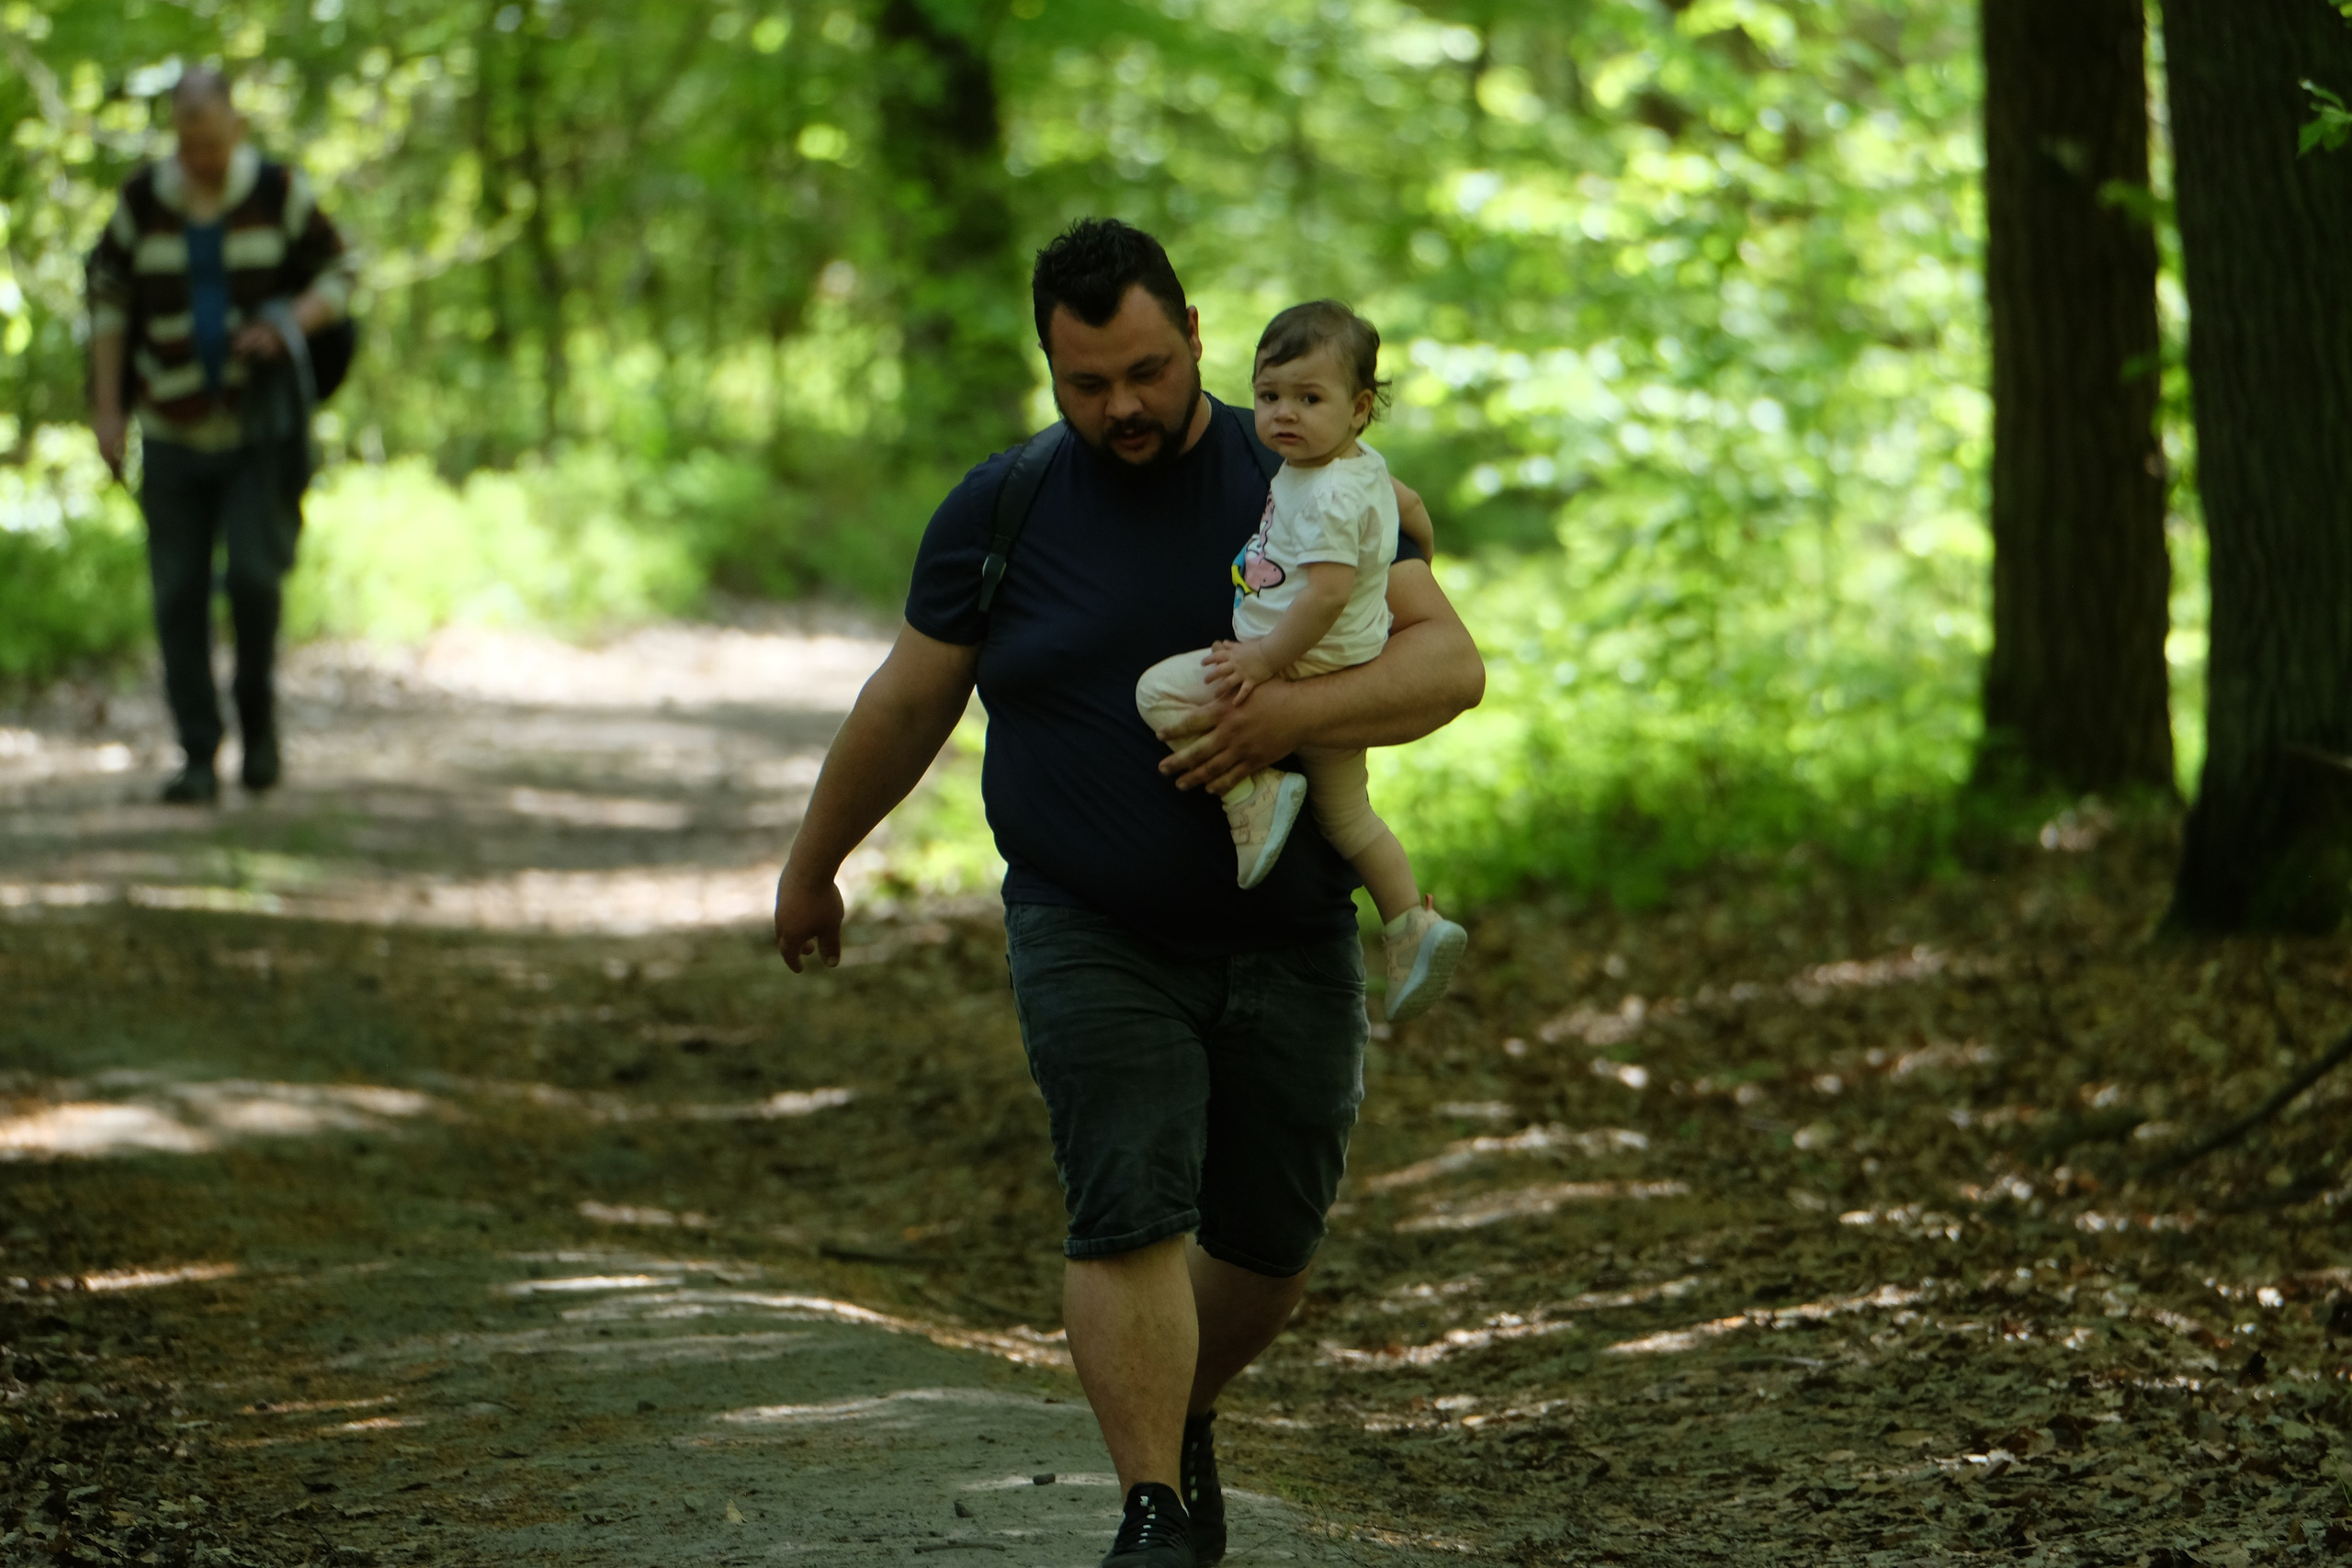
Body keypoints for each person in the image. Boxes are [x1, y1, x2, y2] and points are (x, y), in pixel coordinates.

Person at [772, 218, 1484, 1568]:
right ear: (1048, 363)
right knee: (1128, 1199)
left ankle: (1182, 1402)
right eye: (1088, 382)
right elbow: (908, 698)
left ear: (1198, 337)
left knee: (1270, 1239)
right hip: (1085, 916)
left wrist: (1285, 717)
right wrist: (816, 863)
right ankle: (1151, 1508)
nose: (1126, 406)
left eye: (1149, 372)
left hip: (1287, 923)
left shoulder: (1308, 477)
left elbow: (1449, 667)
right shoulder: (1006, 507)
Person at [1133, 299, 1468, 1024]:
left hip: (1297, 668)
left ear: (1359, 406)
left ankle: (1251, 793)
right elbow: (1410, 508)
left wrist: (1262, 659)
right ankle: (1411, 924)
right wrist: (1420, 558)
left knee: (1158, 691)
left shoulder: (1322, 497)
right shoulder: (1359, 468)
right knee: (1352, 820)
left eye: (1308, 398)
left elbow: (1322, 598)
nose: (1283, 414)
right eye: (1269, 395)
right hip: (1348, 677)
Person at [86, 67, 355, 805]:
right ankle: (198, 753)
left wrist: (287, 323)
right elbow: (106, 301)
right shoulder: (144, 201)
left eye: (210, 141)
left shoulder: (276, 192)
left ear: (235, 127)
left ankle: (260, 731)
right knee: (176, 594)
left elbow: (342, 272)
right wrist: (107, 409)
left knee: (254, 582)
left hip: (256, 432)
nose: (199, 157)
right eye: (186, 142)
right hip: (170, 428)